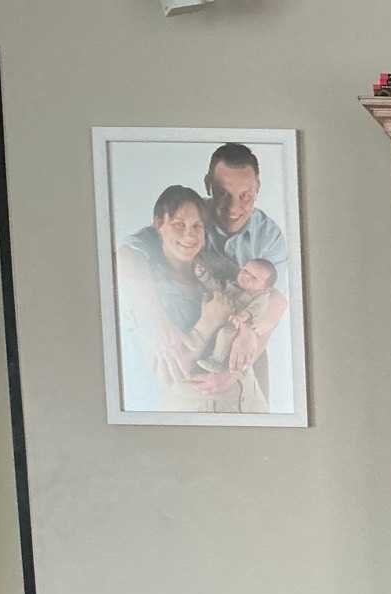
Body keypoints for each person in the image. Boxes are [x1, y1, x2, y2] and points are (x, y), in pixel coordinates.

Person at [116, 185, 248, 411]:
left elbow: (261, 290)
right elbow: (168, 373)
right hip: (196, 411)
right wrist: (208, 323)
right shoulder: (147, 291)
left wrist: (249, 332)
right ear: (159, 225)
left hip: (247, 399)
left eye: (197, 226)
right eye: (179, 225)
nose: (190, 235)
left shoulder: (213, 265)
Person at [201, 143, 289, 379]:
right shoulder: (188, 216)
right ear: (208, 185)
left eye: (246, 196)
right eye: (223, 193)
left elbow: (278, 301)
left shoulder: (269, 235)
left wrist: (249, 336)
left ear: (258, 188)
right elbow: (131, 253)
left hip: (248, 345)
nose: (234, 208)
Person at [197, 258, 280, 374]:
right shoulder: (233, 284)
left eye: (254, 278)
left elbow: (253, 310)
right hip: (223, 316)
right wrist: (205, 277)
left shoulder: (261, 298)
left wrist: (241, 317)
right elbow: (216, 289)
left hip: (238, 325)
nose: (246, 276)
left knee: (225, 334)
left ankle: (216, 361)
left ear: (265, 287)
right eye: (245, 271)